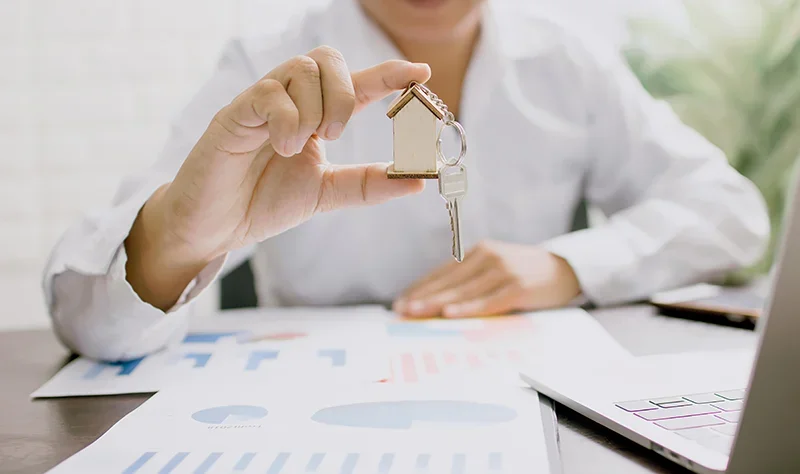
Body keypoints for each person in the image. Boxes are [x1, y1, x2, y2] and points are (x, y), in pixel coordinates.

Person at [43, 0, 769, 361]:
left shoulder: (570, 59)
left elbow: (732, 210)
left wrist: (569, 263)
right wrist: (182, 236)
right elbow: (88, 317)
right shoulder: (262, 64)